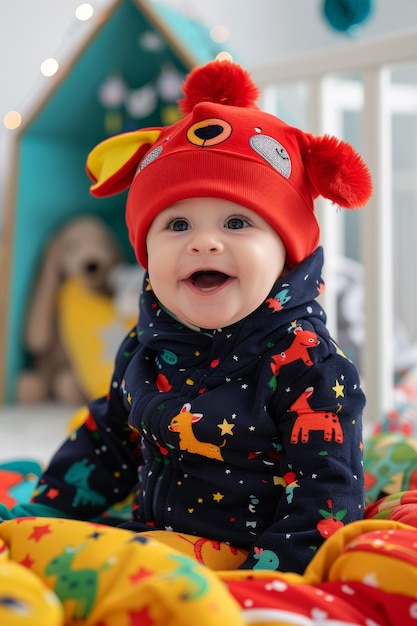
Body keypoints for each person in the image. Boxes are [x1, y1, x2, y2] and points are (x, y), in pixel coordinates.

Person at [2, 60, 372, 575]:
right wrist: (50, 508)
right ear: (146, 252)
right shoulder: (147, 343)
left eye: (237, 222)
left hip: (253, 557)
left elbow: (327, 485)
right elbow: (109, 438)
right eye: (177, 224)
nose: (204, 240)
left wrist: (275, 576)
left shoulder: (306, 364)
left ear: (287, 254)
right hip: (159, 538)